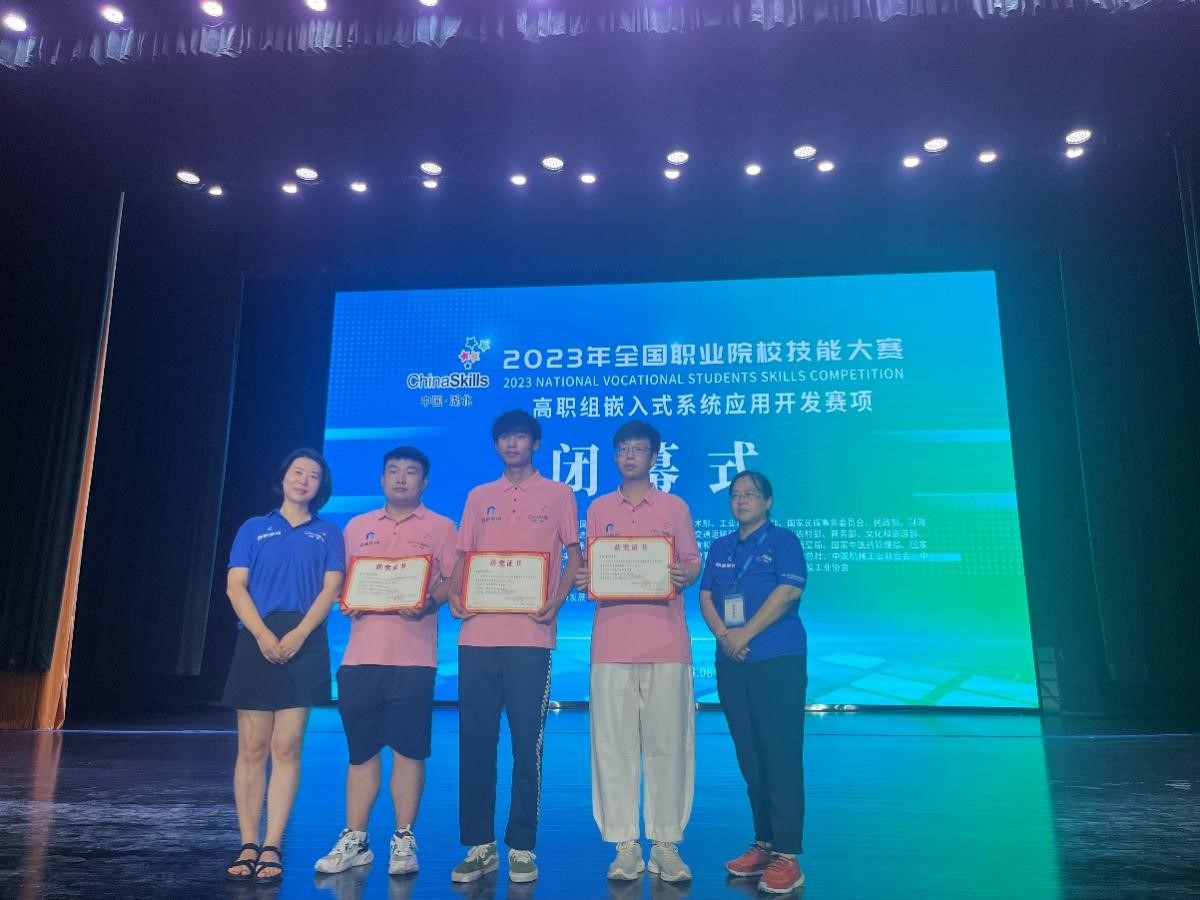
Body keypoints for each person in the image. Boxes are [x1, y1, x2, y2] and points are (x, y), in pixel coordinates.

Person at [447, 410, 582, 884]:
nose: (512, 443)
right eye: (504, 437)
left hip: (531, 636)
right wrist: (454, 594)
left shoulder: (559, 494)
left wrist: (556, 601)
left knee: (528, 744)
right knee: (475, 743)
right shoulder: (478, 496)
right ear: (495, 444)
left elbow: (574, 555)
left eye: (520, 436)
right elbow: (464, 556)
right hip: (478, 636)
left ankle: (522, 844)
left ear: (535, 443)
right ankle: (479, 845)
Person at [314, 447, 459, 878]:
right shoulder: (357, 526)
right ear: (381, 479)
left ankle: (403, 838)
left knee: (409, 751)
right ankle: (356, 839)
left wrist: (429, 602)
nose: (400, 478)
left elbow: (452, 581)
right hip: (360, 657)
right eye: (393, 471)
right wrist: (346, 599)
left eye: (411, 472)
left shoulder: (441, 527)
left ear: (424, 482)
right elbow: (341, 582)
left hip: (414, 659)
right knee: (361, 751)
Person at [574, 420, 701, 883]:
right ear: (614, 456)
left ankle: (666, 843)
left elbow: (692, 561)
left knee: (669, 744)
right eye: (623, 449)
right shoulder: (598, 508)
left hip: (667, 642)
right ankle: (624, 844)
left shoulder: (675, 507)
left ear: (654, 457)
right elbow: (590, 567)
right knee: (613, 746)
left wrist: (687, 573)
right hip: (611, 643)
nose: (630, 456)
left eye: (639, 449)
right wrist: (584, 578)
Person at [221, 448, 345, 885]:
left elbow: (331, 589)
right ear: (283, 477)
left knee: (287, 745)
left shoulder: (328, 532)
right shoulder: (254, 528)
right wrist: (262, 634)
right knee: (252, 747)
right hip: (257, 635)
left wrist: (298, 635)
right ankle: (248, 842)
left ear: (321, 486)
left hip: (304, 640)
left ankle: (273, 843)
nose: (304, 479)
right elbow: (236, 586)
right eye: (297, 472)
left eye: (313, 475)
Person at [698, 470, 808, 895]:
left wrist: (744, 634)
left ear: (768, 501)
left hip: (776, 659)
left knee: (780, 755)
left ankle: (788, 854)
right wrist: (725, 636)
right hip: (732, 662)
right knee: (750, 757)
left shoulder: (783, 542)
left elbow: (788, 593)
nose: (741, 500)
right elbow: (706, 596)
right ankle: (764, 843)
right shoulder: (721, 547)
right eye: (735, 495)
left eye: (750, 494)